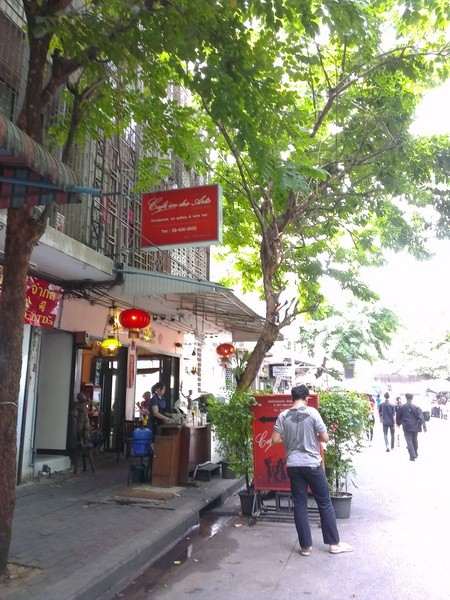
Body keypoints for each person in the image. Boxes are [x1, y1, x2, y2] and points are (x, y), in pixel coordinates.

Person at [271, 384, 353, 556]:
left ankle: (305, 547)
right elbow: (325, 437)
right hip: (312, 465)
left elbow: (275, 440)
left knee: (300, 505)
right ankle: (334, 544)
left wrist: (289, 438)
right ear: (306, 398)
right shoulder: (312, 413)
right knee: (324, 503)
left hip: (293, 465)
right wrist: (311, 437)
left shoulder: (283, 415)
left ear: (292, 398)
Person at [395, 392, 425, 461]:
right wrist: (423, 425)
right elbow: (420, 416)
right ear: (412, 398)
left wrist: (398, 423)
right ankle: (415, 452)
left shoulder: (402, 407)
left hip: (406, 426)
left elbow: (398, 416)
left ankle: (412, 456)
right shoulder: (416, 407)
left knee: (409, 440)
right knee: (415, 440)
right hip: (415, 426)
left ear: (406, 398)